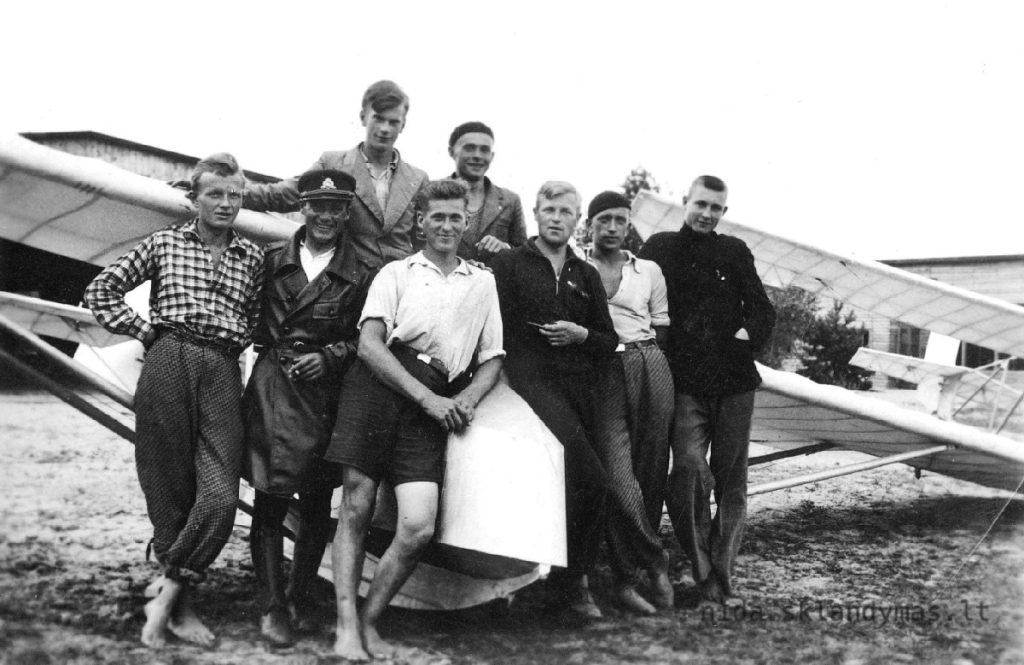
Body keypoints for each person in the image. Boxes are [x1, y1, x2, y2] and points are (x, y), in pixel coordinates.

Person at [83, 153, 264, 648]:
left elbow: (254, 320)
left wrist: (230, 348)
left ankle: (164, 592)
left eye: (234, 195)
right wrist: (146, 332)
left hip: (222, 367)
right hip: (169, 356)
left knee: (221, 496)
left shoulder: (253, 257)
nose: (226, 203)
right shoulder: (165, 242)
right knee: (167, 487)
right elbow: (101, 291)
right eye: (215, 194)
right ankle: (180, 608)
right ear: (194, 198)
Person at [324, 179, 504, 660]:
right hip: (378, 387)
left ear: (466, 221)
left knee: (419, 524)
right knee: (357, 505)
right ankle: (346, 626)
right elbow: (369, 345)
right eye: (437, 217)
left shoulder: (482, 282)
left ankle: (369, 620)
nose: (446, 226)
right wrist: (427, 399)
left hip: (438, 396)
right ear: (421, 221)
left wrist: (466, 397)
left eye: (455, 217)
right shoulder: (396, 273)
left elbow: (492, 358)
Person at [242, 169, 376, 646]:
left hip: (328, 394)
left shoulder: (363, 271)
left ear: (347, 213)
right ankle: (272, 606)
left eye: (335, 208)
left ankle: (300, 596)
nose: (325, 216)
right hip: (275, 387)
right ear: (303, 207)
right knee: (271, 499)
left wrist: (331, 356)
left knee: (318, 502)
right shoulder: (271, 259)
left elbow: (370, 336)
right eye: (317, 206)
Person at [638, 175, 775, 604]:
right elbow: (636, 295)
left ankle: (722, 572)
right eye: (701, 204)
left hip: (734, 380)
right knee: (688, 469)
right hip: (684, 381)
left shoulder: (734, 251)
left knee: (732, 479)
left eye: (716, 208)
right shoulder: (659, 247)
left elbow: (762, 310)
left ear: (724, 212)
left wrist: (744, 337)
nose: (707, 213)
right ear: (685, 202)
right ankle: (700, 565)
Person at [491, 181, 617, 619]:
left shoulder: (586, 274)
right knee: (591, 480)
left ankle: (565, 585)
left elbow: (608, 340)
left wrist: (581, 334)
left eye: (566, 212)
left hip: (580, 391)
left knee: (580, 485)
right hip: (529, 387)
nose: (557, 218)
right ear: (537, 213)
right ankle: (564, 586)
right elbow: (496, 331)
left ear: (577, 220)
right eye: (550, 210)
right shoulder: (510, 263)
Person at [584, 191, 674, 614]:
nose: (612, 227)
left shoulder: (648, 269)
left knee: (651, 473)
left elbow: (661, 326)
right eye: (604, 219)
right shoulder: (575, 266)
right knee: (618, 477)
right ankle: (656, 558)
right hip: (602, 370)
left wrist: (648, 364)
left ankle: (625, 580)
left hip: (649, 363)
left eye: (620, 220)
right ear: (590, 224)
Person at [244, 80, 428, 269]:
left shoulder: (417, 180)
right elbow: (283, 194)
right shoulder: (333, 164)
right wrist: (232, 194)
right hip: (347, 276)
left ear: (403, 125)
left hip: (399, 279)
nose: (384, 129)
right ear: (363, 117)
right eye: (378, 119)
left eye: (393, 122)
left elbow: (424, 241)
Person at [445, 121, 526, 263]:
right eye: (469, 148)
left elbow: (524, 253)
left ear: (492, 156)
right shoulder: (431, 194)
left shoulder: (510, 200)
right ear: (451, 152)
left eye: (484, 150)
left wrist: (505, 248)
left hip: (494, 276)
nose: (477, 155)